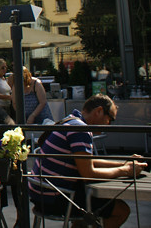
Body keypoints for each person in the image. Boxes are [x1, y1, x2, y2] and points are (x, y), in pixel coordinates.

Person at [29, 94, 147, 228]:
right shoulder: (81, 130)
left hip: (42, 194)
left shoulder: (71, 120)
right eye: (110, 119)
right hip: (57, 197)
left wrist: (124, 163)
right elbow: (88, 172)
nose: (109, 124)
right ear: (99, 111)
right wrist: (125, 170)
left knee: (88, 213)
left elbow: (87, 161)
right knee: (121, 211)